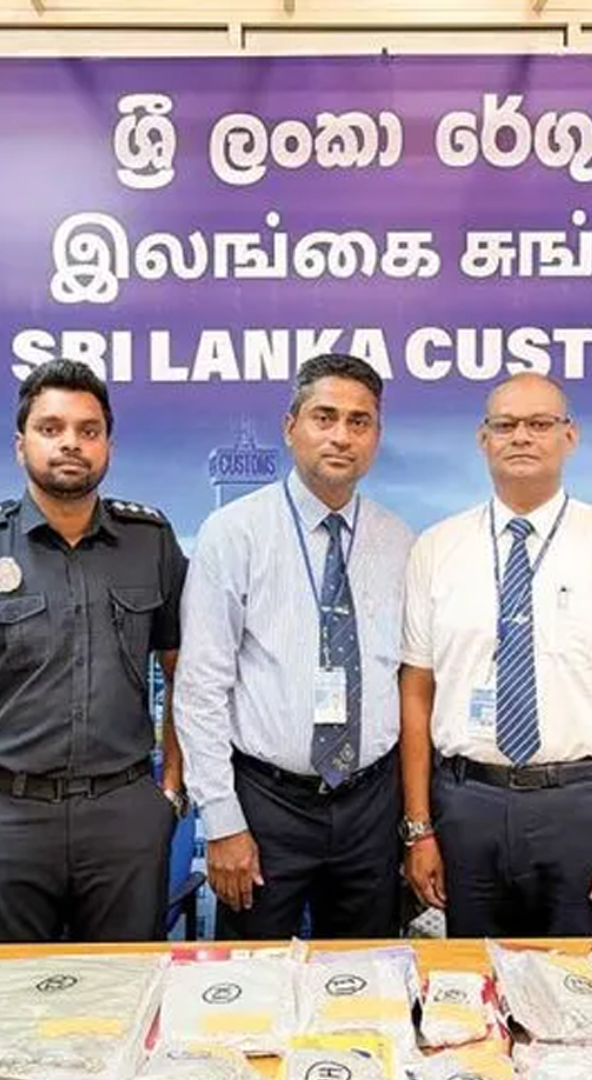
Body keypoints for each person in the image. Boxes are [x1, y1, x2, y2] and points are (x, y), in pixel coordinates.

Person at [0, 359, 189, 942]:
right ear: (20, 444)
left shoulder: (150, 542)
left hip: (125, 815)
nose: (70, 443)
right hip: (5, 817)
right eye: (50, 428)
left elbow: (186, 674)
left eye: (88, 430)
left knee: (125, 986)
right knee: (7, 992)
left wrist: (170, 794)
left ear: (107, 445)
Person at [398, 372, 592, 936]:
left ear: (569, 436)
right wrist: (418, 828)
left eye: (539, 424)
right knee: (472, 976)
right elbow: (416, 692)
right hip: (466, 806)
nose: (521, 437)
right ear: (483, 438)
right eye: (505, 425)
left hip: (580, 806)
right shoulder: (436, 549)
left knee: (581, 981)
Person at [175, 353, 416, 939]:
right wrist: (223, 821)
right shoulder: (233, 534)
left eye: (359, 422)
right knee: (251, 979)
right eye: (324, 417)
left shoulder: (400, 541)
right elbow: (201, 687)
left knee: (367, 974)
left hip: (370, 804)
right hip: (267, 804)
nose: (341, 436)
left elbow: (410, 681)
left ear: (376, 436)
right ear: (291, 427)